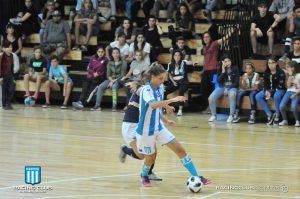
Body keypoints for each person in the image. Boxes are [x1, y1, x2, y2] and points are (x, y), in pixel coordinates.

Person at [136, 64, 211, 187]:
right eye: (160, 78)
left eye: (163, 78)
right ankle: (144, 175)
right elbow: (153, 104)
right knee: (150, 158)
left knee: (180, 150)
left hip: (158, 127)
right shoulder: (146, 90)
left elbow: (158, 104)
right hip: (145, 131)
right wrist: (173, 100)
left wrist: (166, 110)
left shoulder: (160, 88)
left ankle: (197, 176)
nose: (162, 81)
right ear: (152, 77)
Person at [119, 71, 163, 181]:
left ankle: (148, 173)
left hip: (141, 124)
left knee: (153, 150)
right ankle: (125, 149)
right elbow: (141, 92)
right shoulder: (142, 89)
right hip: (130, 125)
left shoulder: (153, 90)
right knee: (142, 155)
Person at [255, 56, 286, 125]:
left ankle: (277, 115)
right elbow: (265, 84)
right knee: (258, 96)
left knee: (276, 96)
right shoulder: (266, 72)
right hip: (269, 90)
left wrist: (270, 92)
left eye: (272, 63)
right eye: (269, 63)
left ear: (276, 63)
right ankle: (270, 114)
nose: (271, 65)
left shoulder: (281, 72)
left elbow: (280, 85)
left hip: (280, 89)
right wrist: (266, 90)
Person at [165, 50, 196, 116]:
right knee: (164, 91)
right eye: (175, 55)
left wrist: (193, 62)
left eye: (179, 55)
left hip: (184, 82)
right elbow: (169, 74)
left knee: (181, 91)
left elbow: (189, 62)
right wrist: (173, 82)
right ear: (173, 56)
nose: (177, 56)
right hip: (175, 83)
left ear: (180, 56)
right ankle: (165, 107)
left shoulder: (183, 62)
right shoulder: (170, 64)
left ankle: (180, 110)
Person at [279, 61, 300, 126]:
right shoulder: (289, 75)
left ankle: (297, 121)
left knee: (293, 107)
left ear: (295, 68)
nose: (289, 69)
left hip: (297, 92)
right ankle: (285, 120)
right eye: (288, 67)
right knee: (281, 106)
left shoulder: (299, 75)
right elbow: (288, 86)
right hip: (289, 91)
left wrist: (294, 95)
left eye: (290, 67)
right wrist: (290, 76)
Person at [0, 40, 20, 110]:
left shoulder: (13, 55)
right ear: (4, 48)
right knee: (4, 90)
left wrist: (12, 76)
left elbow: (13, 67)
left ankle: (8, 102)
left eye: (11, 47)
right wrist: (1, 77)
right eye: (8, 47)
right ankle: (4, 104)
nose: (10, 48)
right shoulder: (1, 56)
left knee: (11, 87)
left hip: (10, 75)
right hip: (3, 76)